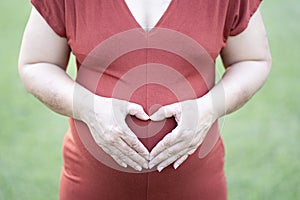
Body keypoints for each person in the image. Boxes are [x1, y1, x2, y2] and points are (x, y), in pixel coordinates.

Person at [18, 0, 272, 199]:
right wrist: (89, 108)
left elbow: (251, 59)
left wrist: (208, 108)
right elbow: (37, 63)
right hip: (91, 185)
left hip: (197, 185)